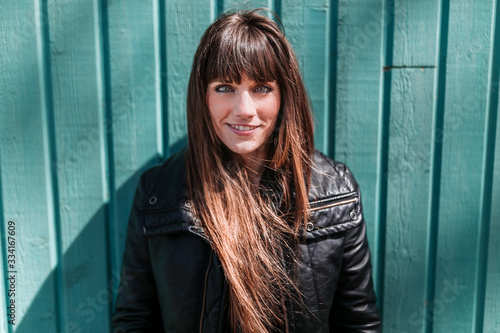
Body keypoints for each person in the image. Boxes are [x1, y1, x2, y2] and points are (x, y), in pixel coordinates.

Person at [112, 8, 381, 333]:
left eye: (262, 88)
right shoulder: (158, 192)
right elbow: (134, 320)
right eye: (225, 87)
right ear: (203, 97)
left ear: (284, 97)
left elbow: (358, 323)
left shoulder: (335, 191)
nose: (244, 110)